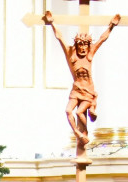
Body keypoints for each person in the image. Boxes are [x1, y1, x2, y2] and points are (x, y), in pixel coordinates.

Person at [43, 10, 121, 148]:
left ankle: (87, 126)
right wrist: (52, 23)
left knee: (79, 112)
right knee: (68, 111)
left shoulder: (90, 54)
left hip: (88, 90)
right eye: (81, 45)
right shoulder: (71, 54)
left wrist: (111, 26)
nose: (83, 48)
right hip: (76, 89)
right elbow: (60, 38)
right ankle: (78, 134)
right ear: (77, 45)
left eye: (86, 45)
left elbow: (102, 39)